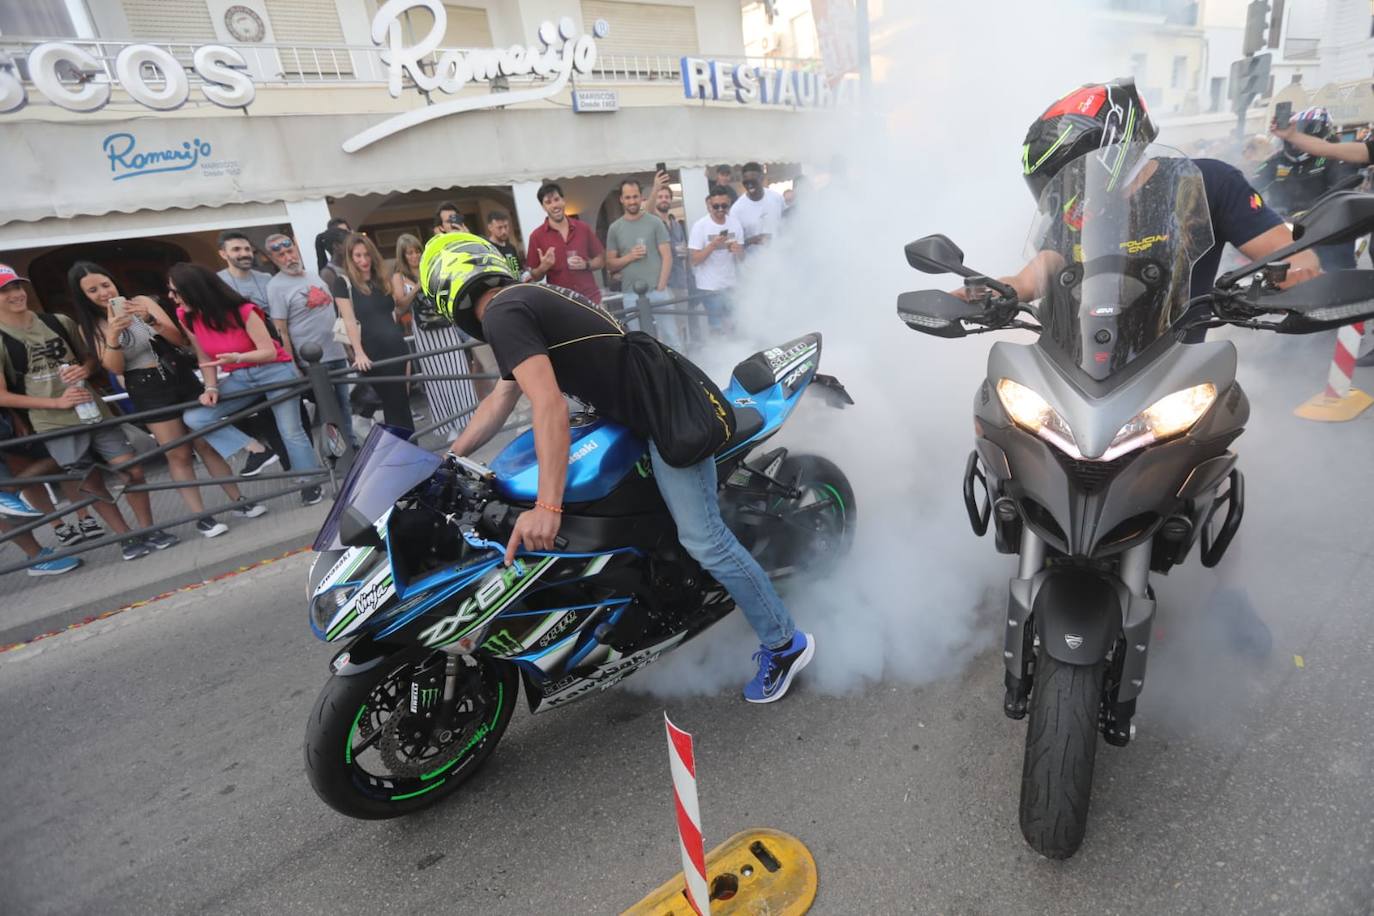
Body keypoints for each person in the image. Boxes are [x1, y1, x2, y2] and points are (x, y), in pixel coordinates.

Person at [422, 234, 815, 703]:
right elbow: (502, 398)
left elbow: (547, 406)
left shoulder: (505, 313)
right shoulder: (519, 302)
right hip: (639, 412)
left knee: (704, 538)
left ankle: (785, 644)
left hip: (664, 417)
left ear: (446, 291)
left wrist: (548, 505)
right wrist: (449, 456)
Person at [991, 78, 1321, 322]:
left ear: (1103, 148)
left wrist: (1298, 273)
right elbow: (1034, 276)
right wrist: (991, 294)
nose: (1063, 193)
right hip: (1083, 365)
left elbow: (1290, 255)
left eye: (1066, 177)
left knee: (1230, 411)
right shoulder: (1081, 212)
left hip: (1177, 371)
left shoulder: (1206, 182)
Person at [70, 262, 268, 538]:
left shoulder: (141, 302)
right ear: (84, 297)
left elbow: (180, 340)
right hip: (146, 387)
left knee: (206, 440)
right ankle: (202, 517)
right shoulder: (91, 325)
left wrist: (150, 320)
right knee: (178, 453)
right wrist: (113, 334)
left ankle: (239, 500)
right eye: (93, 290)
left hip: (179, 375)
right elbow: (114, 368)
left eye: (106, 285)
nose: (103, 292)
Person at [0, 264, 173, 560]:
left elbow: (94, 359)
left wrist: (85, 368)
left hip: (94, 409)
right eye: (5, 291)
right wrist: (57, 403)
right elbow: (3, 396)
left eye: (17, 286)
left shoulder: (57, 321)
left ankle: (148, 529)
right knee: (89, 481)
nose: (16, 294)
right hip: (53, 422)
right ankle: (127, 539)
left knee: (132, 467)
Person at [172, 263, 323, 506]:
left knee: (290, 430)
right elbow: (204, 357)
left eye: (176, 292)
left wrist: (238, 357)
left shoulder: (243, 310)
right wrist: (210, 388)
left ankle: (311, 483)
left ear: (194, 290)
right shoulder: (186, 316)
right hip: (240, 377)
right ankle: (257, 449)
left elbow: (269, 352)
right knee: (196, 418)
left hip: (274, 372)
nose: (172, 298)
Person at [265, 234, 360, 449]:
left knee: (344, 404)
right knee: (328, 409)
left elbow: (333, 314)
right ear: (273, 259)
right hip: (312, 360)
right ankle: (337, 450)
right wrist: (292, 364)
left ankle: (350, 444)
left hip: (336, 351)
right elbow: (281, 330)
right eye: (281, 255)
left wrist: (348, 347)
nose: (288, 257)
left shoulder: (313, 277)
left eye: (290, 251)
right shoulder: (276, 287)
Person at [1252, 107, 1360, 270]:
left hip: (1324, 228)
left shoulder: (1336, 156)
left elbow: (1342, 188)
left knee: (1336, 264)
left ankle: (1340, 288)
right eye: (1297, 132)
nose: (1297, 143)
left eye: (1304, 133)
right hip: (1281, 225)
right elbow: (1250, 186)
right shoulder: (1276, 160)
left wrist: (1313, 212)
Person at [331, 233, 413, 431]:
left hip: (397, 347)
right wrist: (358, 352)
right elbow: (348, 320)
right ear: (350, 258)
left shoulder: (381, 280)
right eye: (358, 256)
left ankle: (409, 452)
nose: (363, 260)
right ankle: (403, 452)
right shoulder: (343, 283)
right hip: (372, 352)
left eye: (367, 255)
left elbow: (393, 312)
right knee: (392, 404)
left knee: (402, 403)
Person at [397, 232, 477, 435]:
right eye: (409, 253)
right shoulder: (399, 276)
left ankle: (469, 420)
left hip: (445, 325)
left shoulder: (433, 268)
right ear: (403, 256)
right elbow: (400, 306)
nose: (414, 256)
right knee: (436, 378)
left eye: (417, 251)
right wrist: (417, 287)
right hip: (424, 332)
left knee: (458, 371)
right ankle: (449, 425)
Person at [606, 178, 680, 349]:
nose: (632, 201)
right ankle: (649, 375)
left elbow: (667, 256)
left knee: (671, 338)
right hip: (631, 294)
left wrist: (661, 286)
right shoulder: (615, 228)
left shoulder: (654, 222)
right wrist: (630, 256)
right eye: (628, 197)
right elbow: (610, 264)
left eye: (635, 196)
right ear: (621, 199)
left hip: (658, 290)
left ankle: (679, 374)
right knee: (639, 342)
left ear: (641, 198)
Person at [526, 182, 606, 303]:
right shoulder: (536, 236)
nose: (554, 205)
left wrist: (586, 265)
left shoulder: (583, 228)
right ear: (543, 207)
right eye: (548, 202)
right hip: (562, 304)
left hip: (591, 300)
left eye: (557, 199)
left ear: (563, 200)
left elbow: (601, 260)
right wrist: (543, 267)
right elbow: (534, 276)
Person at [687, 185, 746, 334]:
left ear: (729, 204)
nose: (720, 209)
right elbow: (694, 260)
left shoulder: (735, 223)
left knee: (735, 326)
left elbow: (742, 258)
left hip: (731, 284)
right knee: (716, 328)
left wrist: (738, 251)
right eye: (716, 206)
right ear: (709, 205)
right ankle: (717, 354)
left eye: (724, 206)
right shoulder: (700, 226)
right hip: (709, 287)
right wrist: (713, 245)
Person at [653, 181, 697, 342]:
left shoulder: (676, 223)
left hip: (680, 280)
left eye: (666, 197)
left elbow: (684, 250)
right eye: (660, 197)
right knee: (666, 328)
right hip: (663, 283)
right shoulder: (652, 223)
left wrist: (684, 253)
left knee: (681, 325)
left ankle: (683, 357)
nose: (663, 199)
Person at [731, 161, 785, 250]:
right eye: (746, 182)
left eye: (753, 181)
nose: (749, 185)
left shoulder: (776, 198)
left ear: (762, 178)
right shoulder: (737, 209)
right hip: (753, 261)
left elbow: (786, 224)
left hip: (778, 257)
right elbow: (733, 244)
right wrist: (751, 240)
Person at [216, 230, 274, 311]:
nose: (244, 254)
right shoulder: (216, 282)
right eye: (236, 249)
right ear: (223, 254)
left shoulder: (266, 279)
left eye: (247, 249)